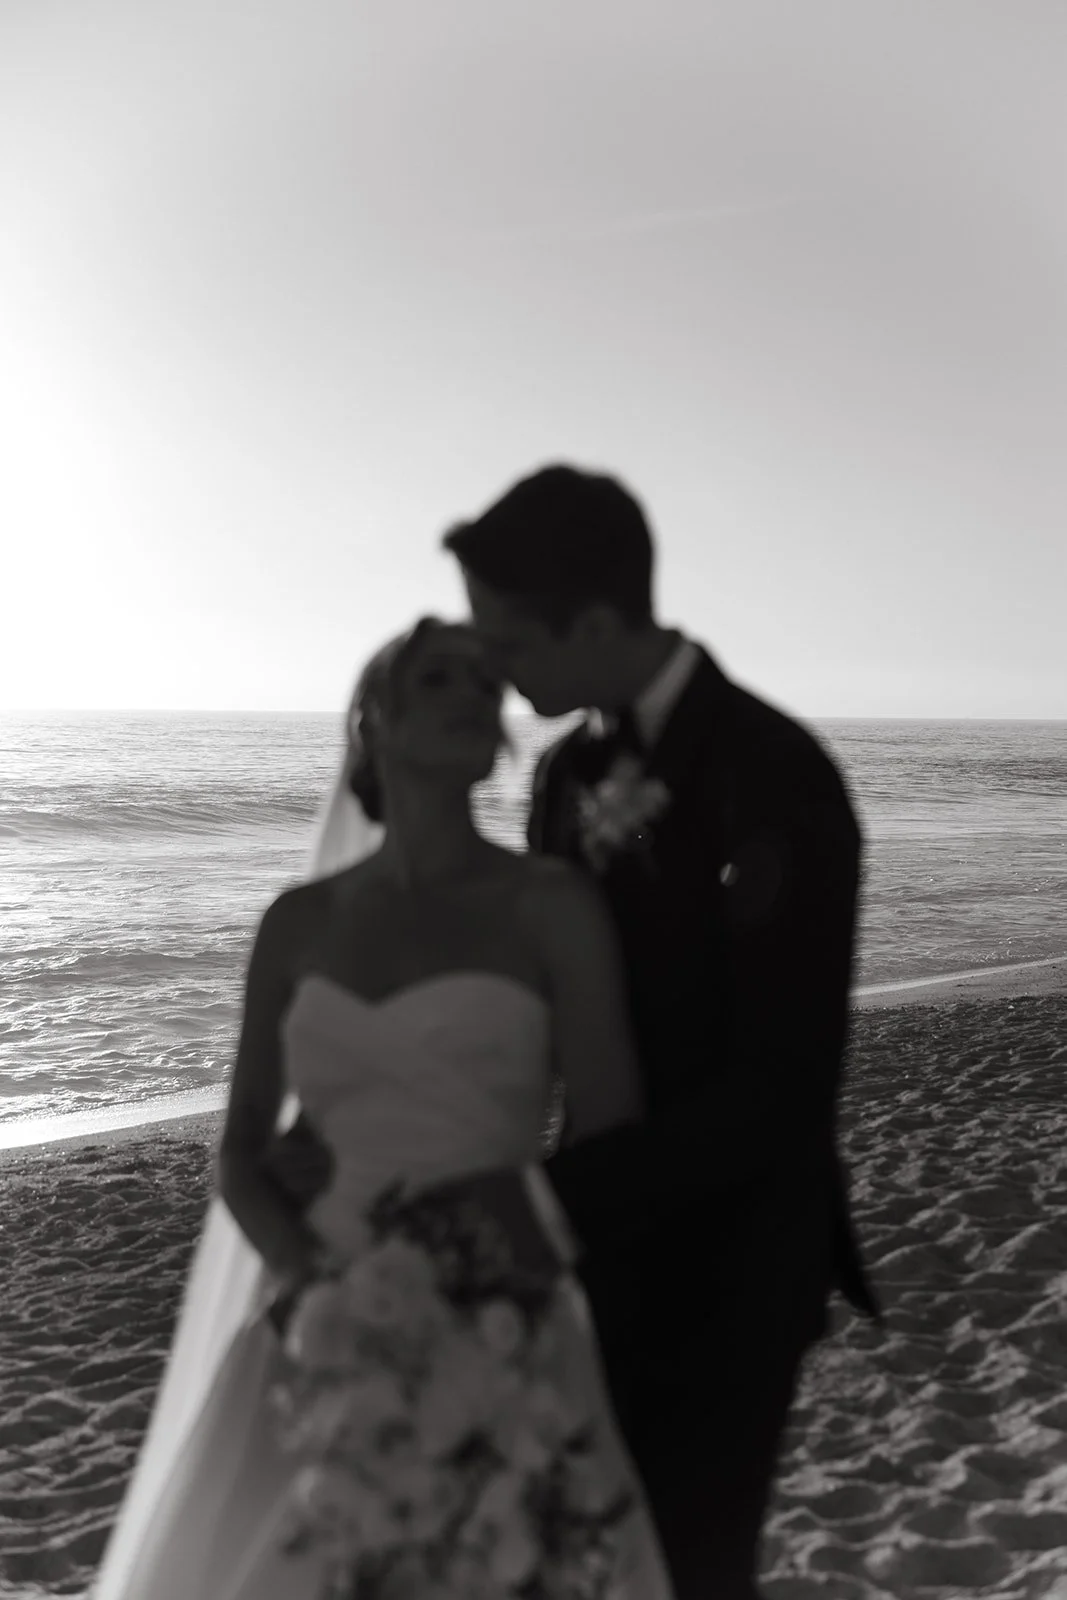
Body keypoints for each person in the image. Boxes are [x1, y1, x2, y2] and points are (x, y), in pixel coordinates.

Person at [93, 618, 674, 1599]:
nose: (466, 692)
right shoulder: (297, 924)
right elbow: (238, 1155)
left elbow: (610, 1133)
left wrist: (507, 1240)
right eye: (434, 676)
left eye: (479, 682)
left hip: (501, 1302)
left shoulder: (550, 904)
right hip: (319, 1310)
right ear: (376, 723)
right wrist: (307, 1271)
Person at [440, 464, 884, 1600]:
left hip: (730, 1262)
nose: (491, 667)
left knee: (688, 1568)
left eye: (508, 642)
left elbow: (777, 1091)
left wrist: (548, 1201)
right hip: (594, 1250)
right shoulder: (561, 774)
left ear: (592, 622)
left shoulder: (774, 775)